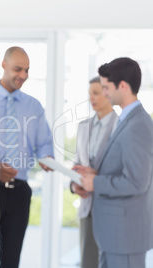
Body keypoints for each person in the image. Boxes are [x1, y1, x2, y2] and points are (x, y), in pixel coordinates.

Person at [0, 46, 54, 267]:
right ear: (3, 65)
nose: (23, 76)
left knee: (11, 261)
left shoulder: (34, 106)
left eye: (27, 70)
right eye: (18, 69)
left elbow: (44, 144)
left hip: (19, 192)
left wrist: (47, 157)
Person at [75, 57, 153, 268]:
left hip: (125, 235)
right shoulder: (128, 120)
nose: (105, 93)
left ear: (123, 87)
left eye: (107, 87)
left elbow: (137, 182)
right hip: (114, 234)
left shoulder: (138, 124)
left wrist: (96, 183)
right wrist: (95, 174)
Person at [71, 77, 117, 268]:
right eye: (90, 93)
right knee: (88, 263)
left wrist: (97, 177)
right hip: (88, 208)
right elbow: (77, 164)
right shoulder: (83, 127)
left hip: (113, 209)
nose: (92, 97)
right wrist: (74, 186)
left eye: (96, 93)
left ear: (108, 93)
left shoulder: (122, 126)